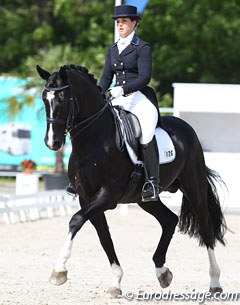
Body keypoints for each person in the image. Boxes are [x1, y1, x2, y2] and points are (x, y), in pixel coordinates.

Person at [99, 5, 161, 202]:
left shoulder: (142, 47)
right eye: (118, 22)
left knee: (146, 130)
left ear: (134, 23)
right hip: (117, 97)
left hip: (139, 98)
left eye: (124, 21)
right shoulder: (113, 49)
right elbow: (106, 76)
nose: (120, 25)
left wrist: (122, 89)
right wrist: (99, 92)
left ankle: (152, 182)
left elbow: (145, 78)